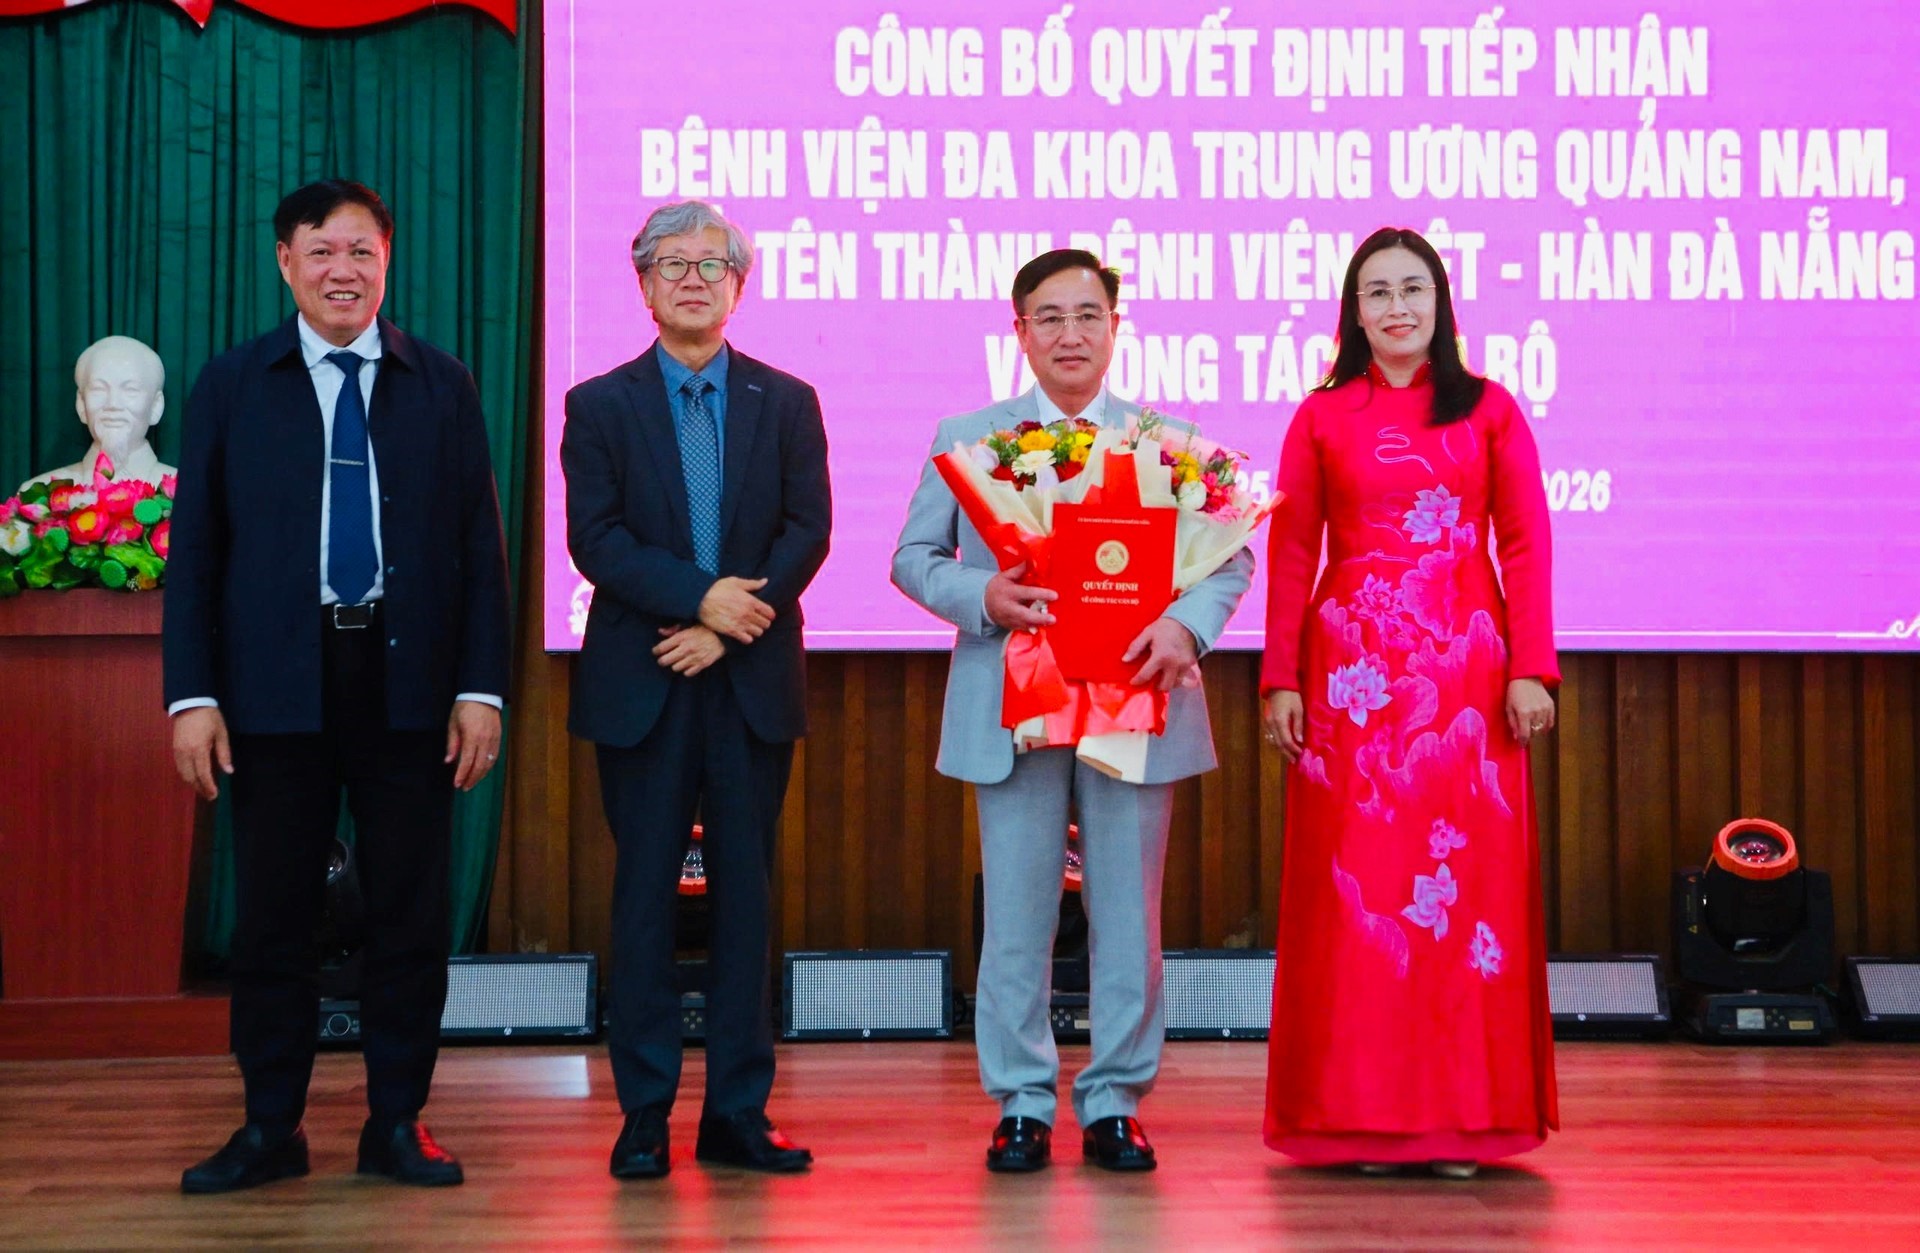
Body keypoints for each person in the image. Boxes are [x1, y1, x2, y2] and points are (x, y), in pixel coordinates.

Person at [163, 179, 510, 1193]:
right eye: (321, 252)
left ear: (386, 261)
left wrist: (481, 688)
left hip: (409, 685)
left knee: (410, 914)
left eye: (361, 252)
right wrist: (192, 696)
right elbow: (197, 556)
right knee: (273, 917)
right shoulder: (233, 384)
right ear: (286, 263)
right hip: (273, 685)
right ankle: (270, 1125)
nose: (342, 271)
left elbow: (479, 553)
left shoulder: (442, 384)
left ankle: (397, 1121)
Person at [892, 249, 1252, 1173]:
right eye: (1048, 317)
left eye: (1087, 315)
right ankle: (1020, 1102)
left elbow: (1232, 556)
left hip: (1136, 702)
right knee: (1016, 917)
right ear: (1019, 333)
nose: (1070, 334)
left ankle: (1116, 1102)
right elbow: (913, 557)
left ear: (1115, 327)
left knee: (1128, 916)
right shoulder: (971, 438)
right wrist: (983, 595)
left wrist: (1186, 627)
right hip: (1015, 709)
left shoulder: (1169, 443)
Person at [1259, 226, 1559, 1178]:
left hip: (1465, 676)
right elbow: (1292, 551)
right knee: (1361, 897)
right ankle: (1356, 1116)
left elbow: (1525, 541)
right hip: (1350, 687)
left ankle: (1465, 1120)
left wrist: (1530, 665)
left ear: (1441, 303)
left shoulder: (1490, 410)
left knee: (1463, 896)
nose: (1397, 307)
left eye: (1413, 289)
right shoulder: (1321, 417)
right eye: (1378, 291)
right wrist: (1280, 676)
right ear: (1354, 311)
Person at [562, 200, 831, 1179]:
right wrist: (699, 598)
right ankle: (644, 1112)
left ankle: (738, 1111)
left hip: (749, 677)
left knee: (746, 901)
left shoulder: (787, 399)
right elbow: (596, 539)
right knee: (643, 898)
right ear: (642, 283)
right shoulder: (599, 403)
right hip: (643, 680)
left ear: (739, 284)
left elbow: (808, 530)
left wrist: (725, 624)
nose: (691, 278)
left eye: (711, 263)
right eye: (670, 263)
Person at [21, 335, 176, 490]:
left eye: (130, 390)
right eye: (99, 389)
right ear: (81, 403)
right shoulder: (37, 494)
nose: (113, 404)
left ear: (156, 405)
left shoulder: (186, 493)